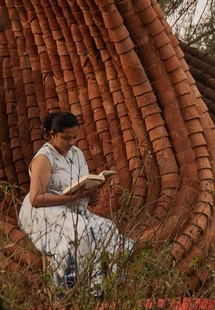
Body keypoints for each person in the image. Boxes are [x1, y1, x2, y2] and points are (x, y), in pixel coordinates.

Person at [17, 111, 133, 290]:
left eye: (74, 138)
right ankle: (67, 287)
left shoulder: (76, 153)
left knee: (107, 228)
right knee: (80, 232)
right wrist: (72, 198)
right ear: (52, 134)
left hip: (74, 207)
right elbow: (36, 199)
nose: (71, 142)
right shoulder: (44, 158)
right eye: (66, 138)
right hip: (45, 211)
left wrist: (90, 195)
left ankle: (102, 286)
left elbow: (80, 184)